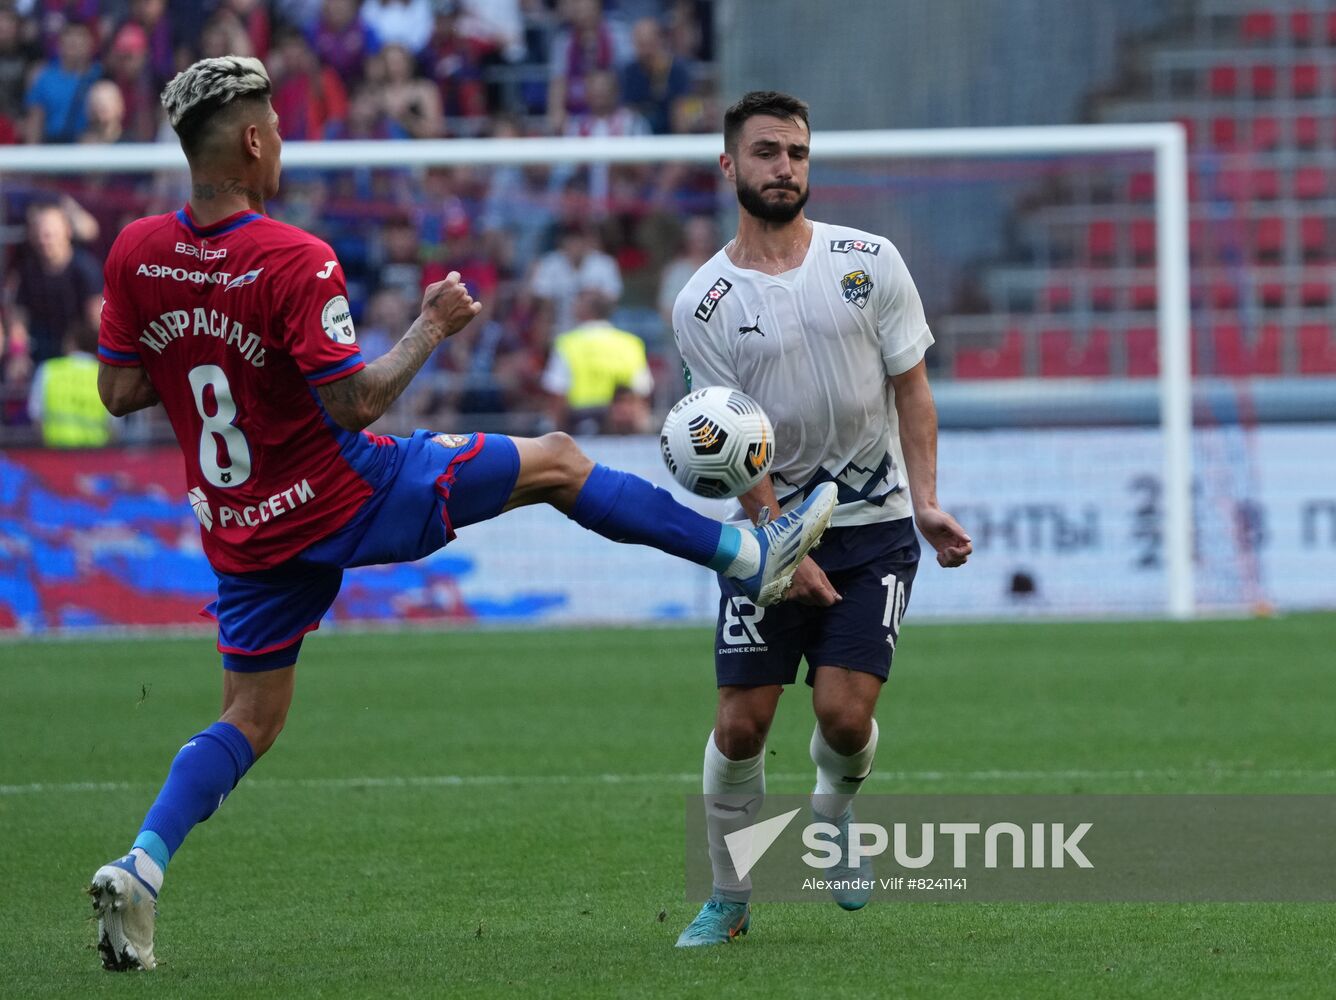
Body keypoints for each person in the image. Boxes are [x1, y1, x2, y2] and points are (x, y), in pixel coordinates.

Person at [87, 57, 837, 973]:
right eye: (276, 128)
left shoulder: (135, 251)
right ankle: (746, 556)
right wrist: (433, 325)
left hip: (242, 525)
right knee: (559, 462)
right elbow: (355, 404)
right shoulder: (293, 256)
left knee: (247, 715)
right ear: (251, 142)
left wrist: (205, 346)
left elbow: (120, 389)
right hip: (349, 490)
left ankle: (143, 867)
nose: (281, 141)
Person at [670, 91, 972, 947]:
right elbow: (725, 442)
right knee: (742, 724)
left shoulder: (868, 261)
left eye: (797, 153)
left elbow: (911, 385)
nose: (785, 168)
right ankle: (728, 896)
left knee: (844, 718)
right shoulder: (703, 302)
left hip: (873, 525)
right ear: (730, 167)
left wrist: (926, 500)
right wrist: (775, 538)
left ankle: (832, 815)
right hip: (767, 531)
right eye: (766, 153)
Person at [540, 288, 652, 435]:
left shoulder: (567, 343)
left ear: (585, 310)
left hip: (580, 425)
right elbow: (642, 391)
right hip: (621, 429)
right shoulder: (630, 343)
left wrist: (559, 434)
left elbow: (558, 394)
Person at [28, 320, 112, 447]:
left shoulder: (48, 370)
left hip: (55, 456)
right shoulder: (107, 377)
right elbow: (114, 427)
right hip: (95, 458)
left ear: (71, 343)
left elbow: (35, 417)